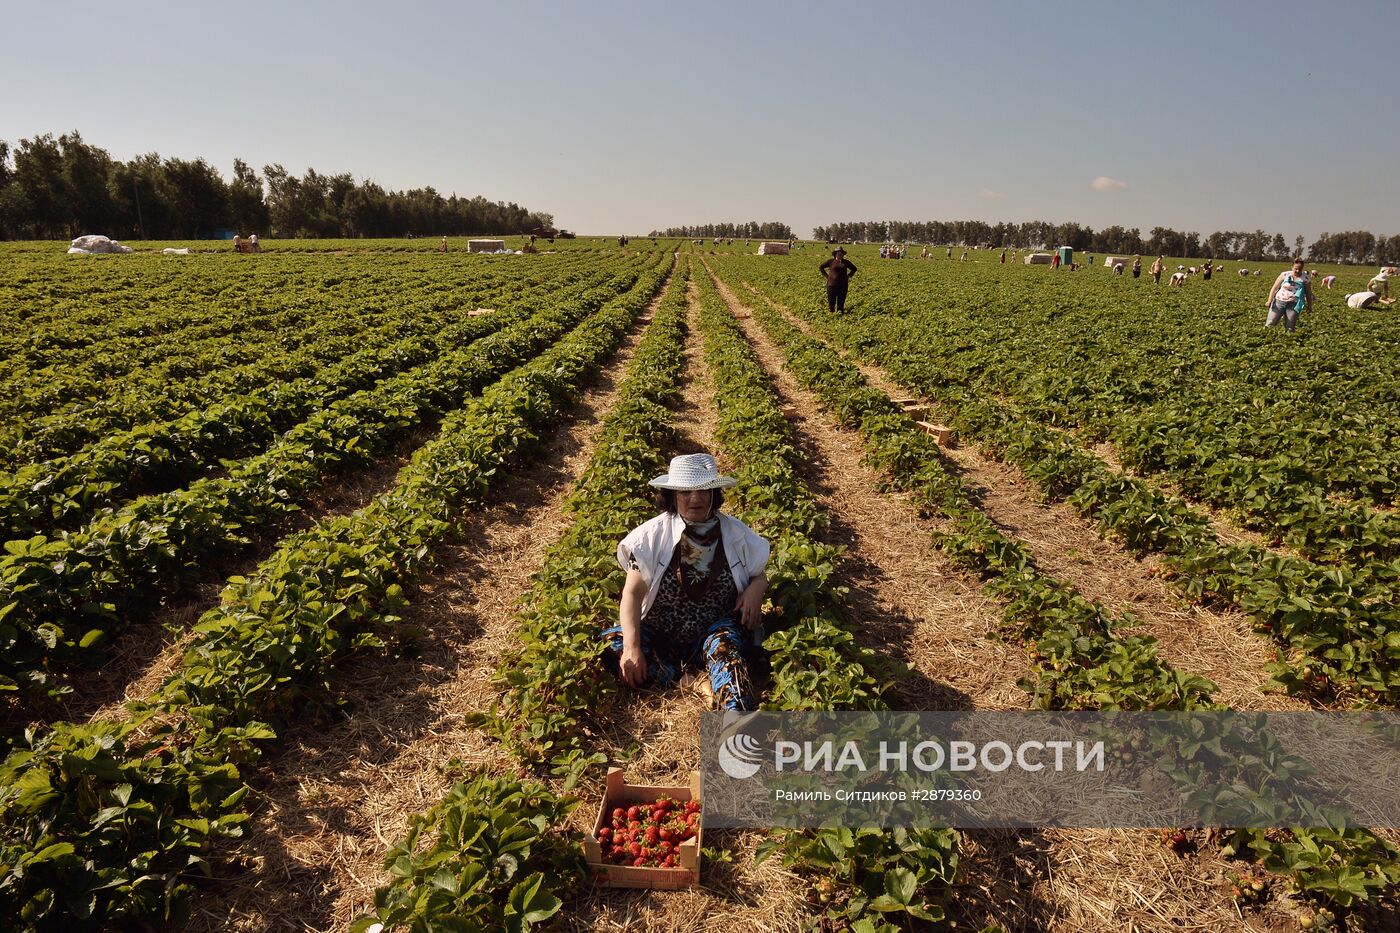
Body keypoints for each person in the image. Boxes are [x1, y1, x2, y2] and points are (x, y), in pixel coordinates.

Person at [604, 453, 769, 712]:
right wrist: (632, 648)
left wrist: (757, 587)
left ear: (715, 494)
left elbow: (759, 571)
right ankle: (688, 681)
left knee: (728, 661)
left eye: (704, 491)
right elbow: (633, 594)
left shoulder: (736, 533)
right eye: (686, 492)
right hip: (663, 632)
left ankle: (735, 717)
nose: (696, 499)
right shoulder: (650, 537)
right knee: (613, 643)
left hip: (716, 628)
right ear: (672, 496)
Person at [1265, 257, 1313, 333]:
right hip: (1279, 302)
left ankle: (1289, 340)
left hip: (1294, 304)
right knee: (1270, 323)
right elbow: (1274, 288)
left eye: (1300, 269)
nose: (1297, 271)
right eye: (1296, 268)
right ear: (1292, 267)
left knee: (1290, 326)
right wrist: (1269, 300)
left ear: (1303, 268)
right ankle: (1266, 338)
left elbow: (1308, 293)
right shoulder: (1285, 274)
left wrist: (1309, 306)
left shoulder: (1305, 278)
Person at [819, 246, 858, 312]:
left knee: (841, 304)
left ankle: (840, 315)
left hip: (843, 285)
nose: (840, 254)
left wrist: (849, 276)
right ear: (835, 254)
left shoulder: (846, 262)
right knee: (831, 303)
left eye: (841, 253)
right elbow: (821, 267)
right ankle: (832, 316)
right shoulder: (831, 261)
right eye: (838, 253)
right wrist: (826, 276)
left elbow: (854, 269)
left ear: (843, 254)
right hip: (831, 285)